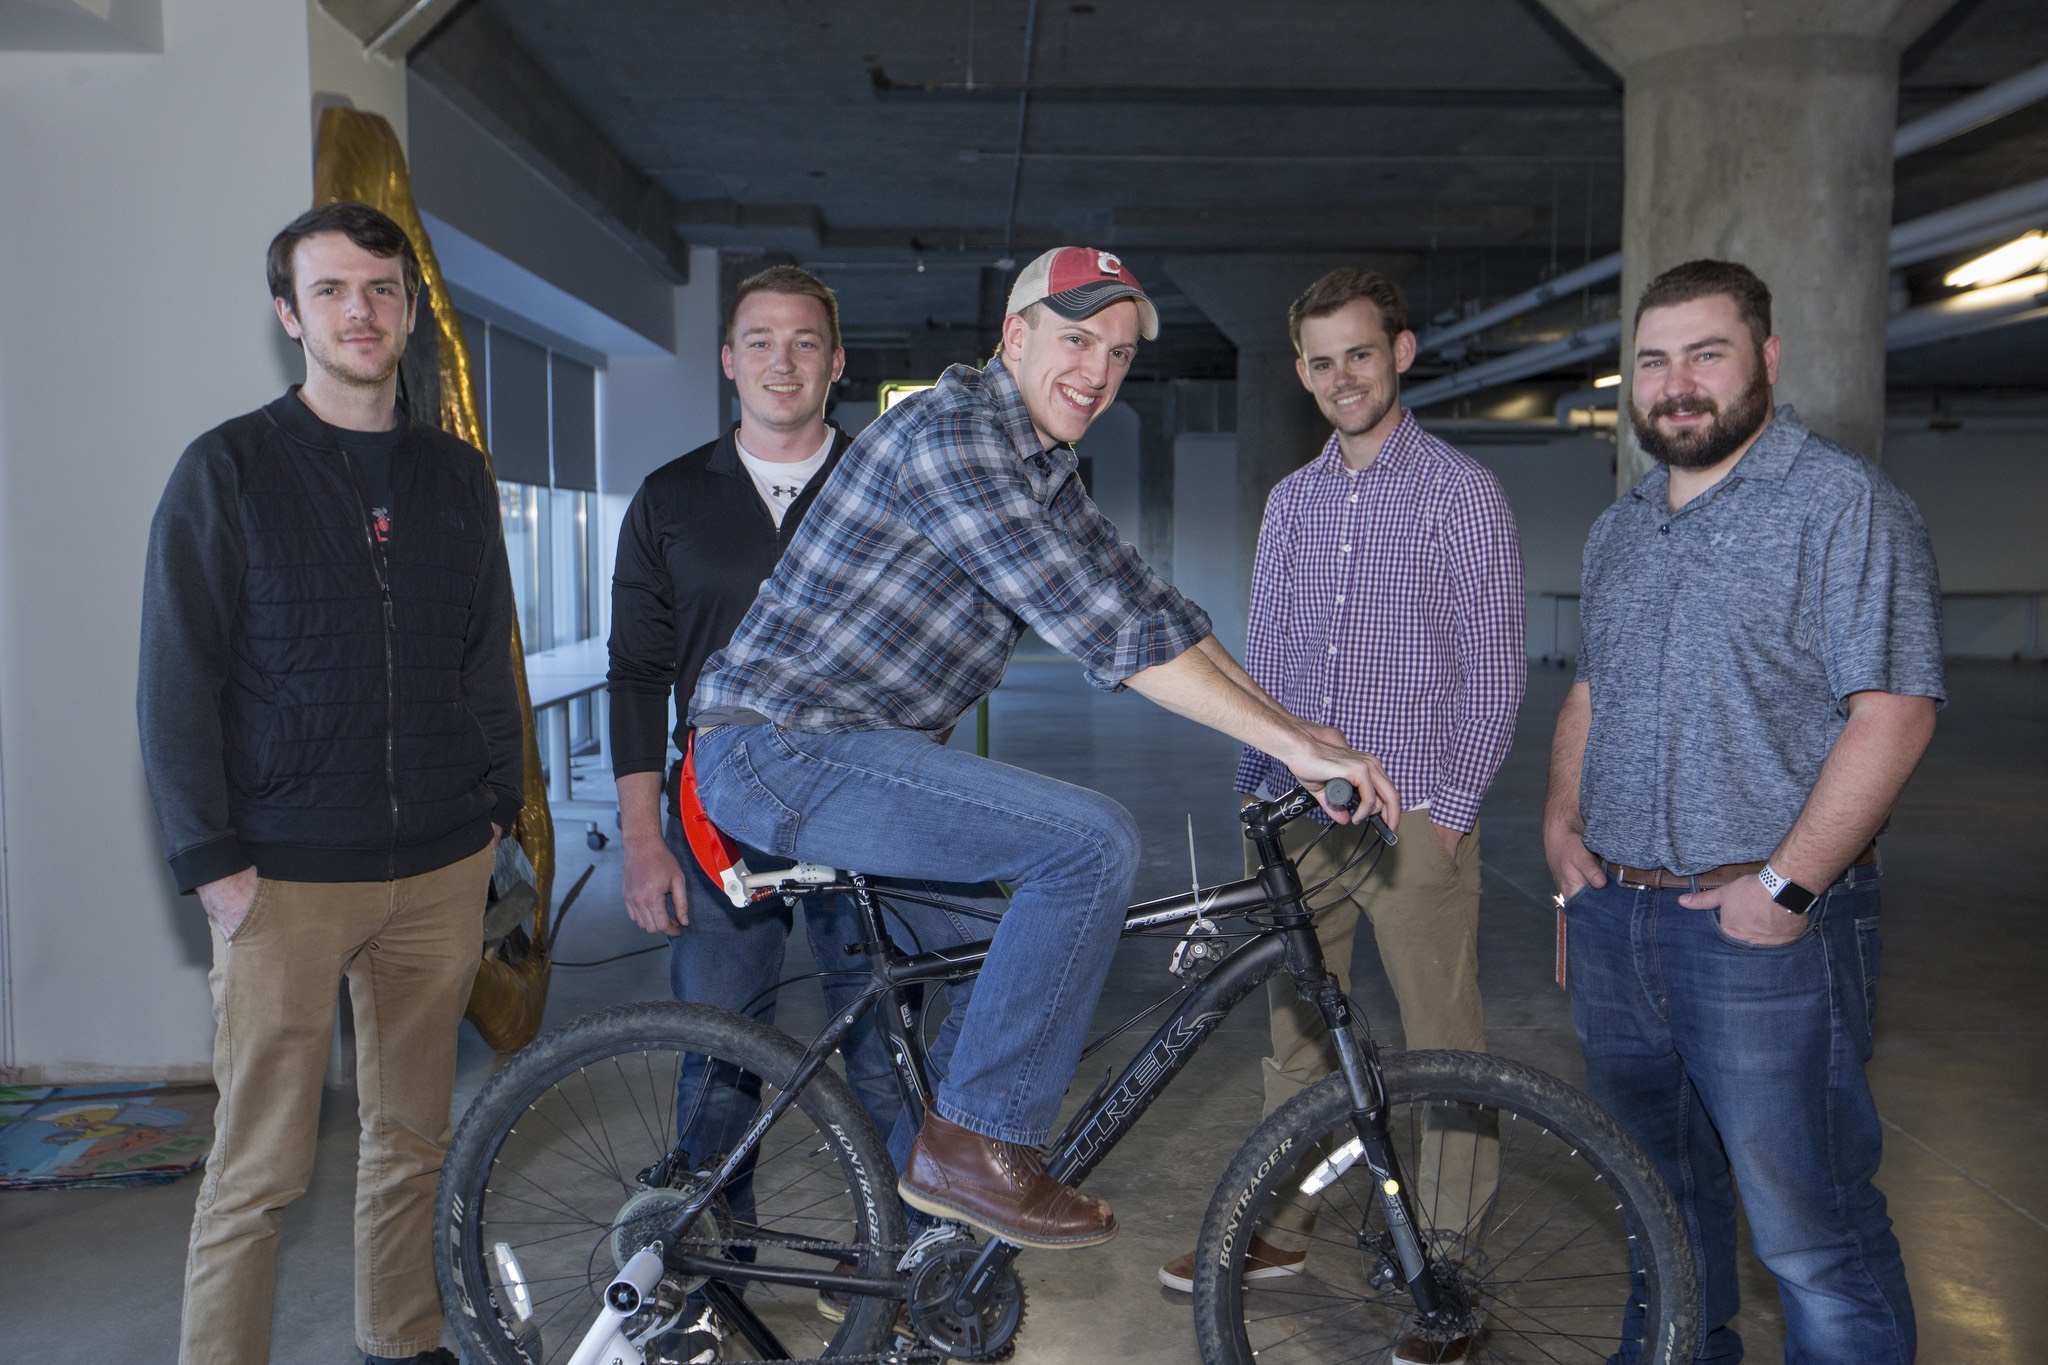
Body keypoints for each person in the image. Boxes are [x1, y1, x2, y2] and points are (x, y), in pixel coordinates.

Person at [689, 245, 1401, 1252]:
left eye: (1116, 353)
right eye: (1075, 340)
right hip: (783, 750)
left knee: (1019, 951)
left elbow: (1151, 606)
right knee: (1088, 846)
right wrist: (1287, 746)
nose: (1097, 371)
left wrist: (1297, 729)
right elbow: (1099, 632)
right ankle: (974, 1149)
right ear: (1013, 338)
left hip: (851, 752)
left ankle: (928, 1233)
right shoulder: (950, 438)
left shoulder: (1040, 465)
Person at [138, 201, 523, 1365]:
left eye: (380, 290)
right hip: (283, 877)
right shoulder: (229, 467)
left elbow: (484, 651)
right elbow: (175, 674)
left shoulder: (456, 476)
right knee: (258, 1171)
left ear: (407, 310)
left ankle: (400, 1338)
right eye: (331, 291)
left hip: (440, 871)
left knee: (412, 1139)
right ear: (288, 315)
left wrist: (495, 809)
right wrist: (212, 862)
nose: (359, 311)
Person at [1543, 259, 1939, 1364]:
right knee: (1652, 1208)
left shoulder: (1839, 506)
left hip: (1764, 936)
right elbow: (1590, 691)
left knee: (1810, 1232)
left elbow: (1894, 713)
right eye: (1653, 360)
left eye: (1704, 354)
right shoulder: (1619, 529)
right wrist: (1563, 828)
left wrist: (1782, 888)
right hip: (1620, 923)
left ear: (1763, 361)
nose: (1676, 384)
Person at [1157, 268, 1525, 1362]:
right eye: (1317, 362)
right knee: (1295, 1035)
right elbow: (1264, 662)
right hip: (1296, 813)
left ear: (1399, 353)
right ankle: (1281, 1230)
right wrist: (1254, 784)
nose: (1337, 378)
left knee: (1439, 1039)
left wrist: (1450, 810)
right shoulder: (1291, 501)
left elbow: (1493, 668)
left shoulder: (1460, 494)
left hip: (1413, 815)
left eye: (1356, 354)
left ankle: (1445, 1263)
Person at [607, 264, 986, 1162]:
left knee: (887, 1051)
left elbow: (945, 649)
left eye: (805, 342)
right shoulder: (671, 500)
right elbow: (635, 673)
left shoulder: (896, 490)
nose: (784, 362)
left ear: (837, 362)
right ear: (730, 363)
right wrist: (639, 836)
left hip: (866, 806)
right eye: (762, 342)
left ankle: (903, 1266)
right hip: (714, 818)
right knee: (719, 1048)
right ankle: (709, 1258)